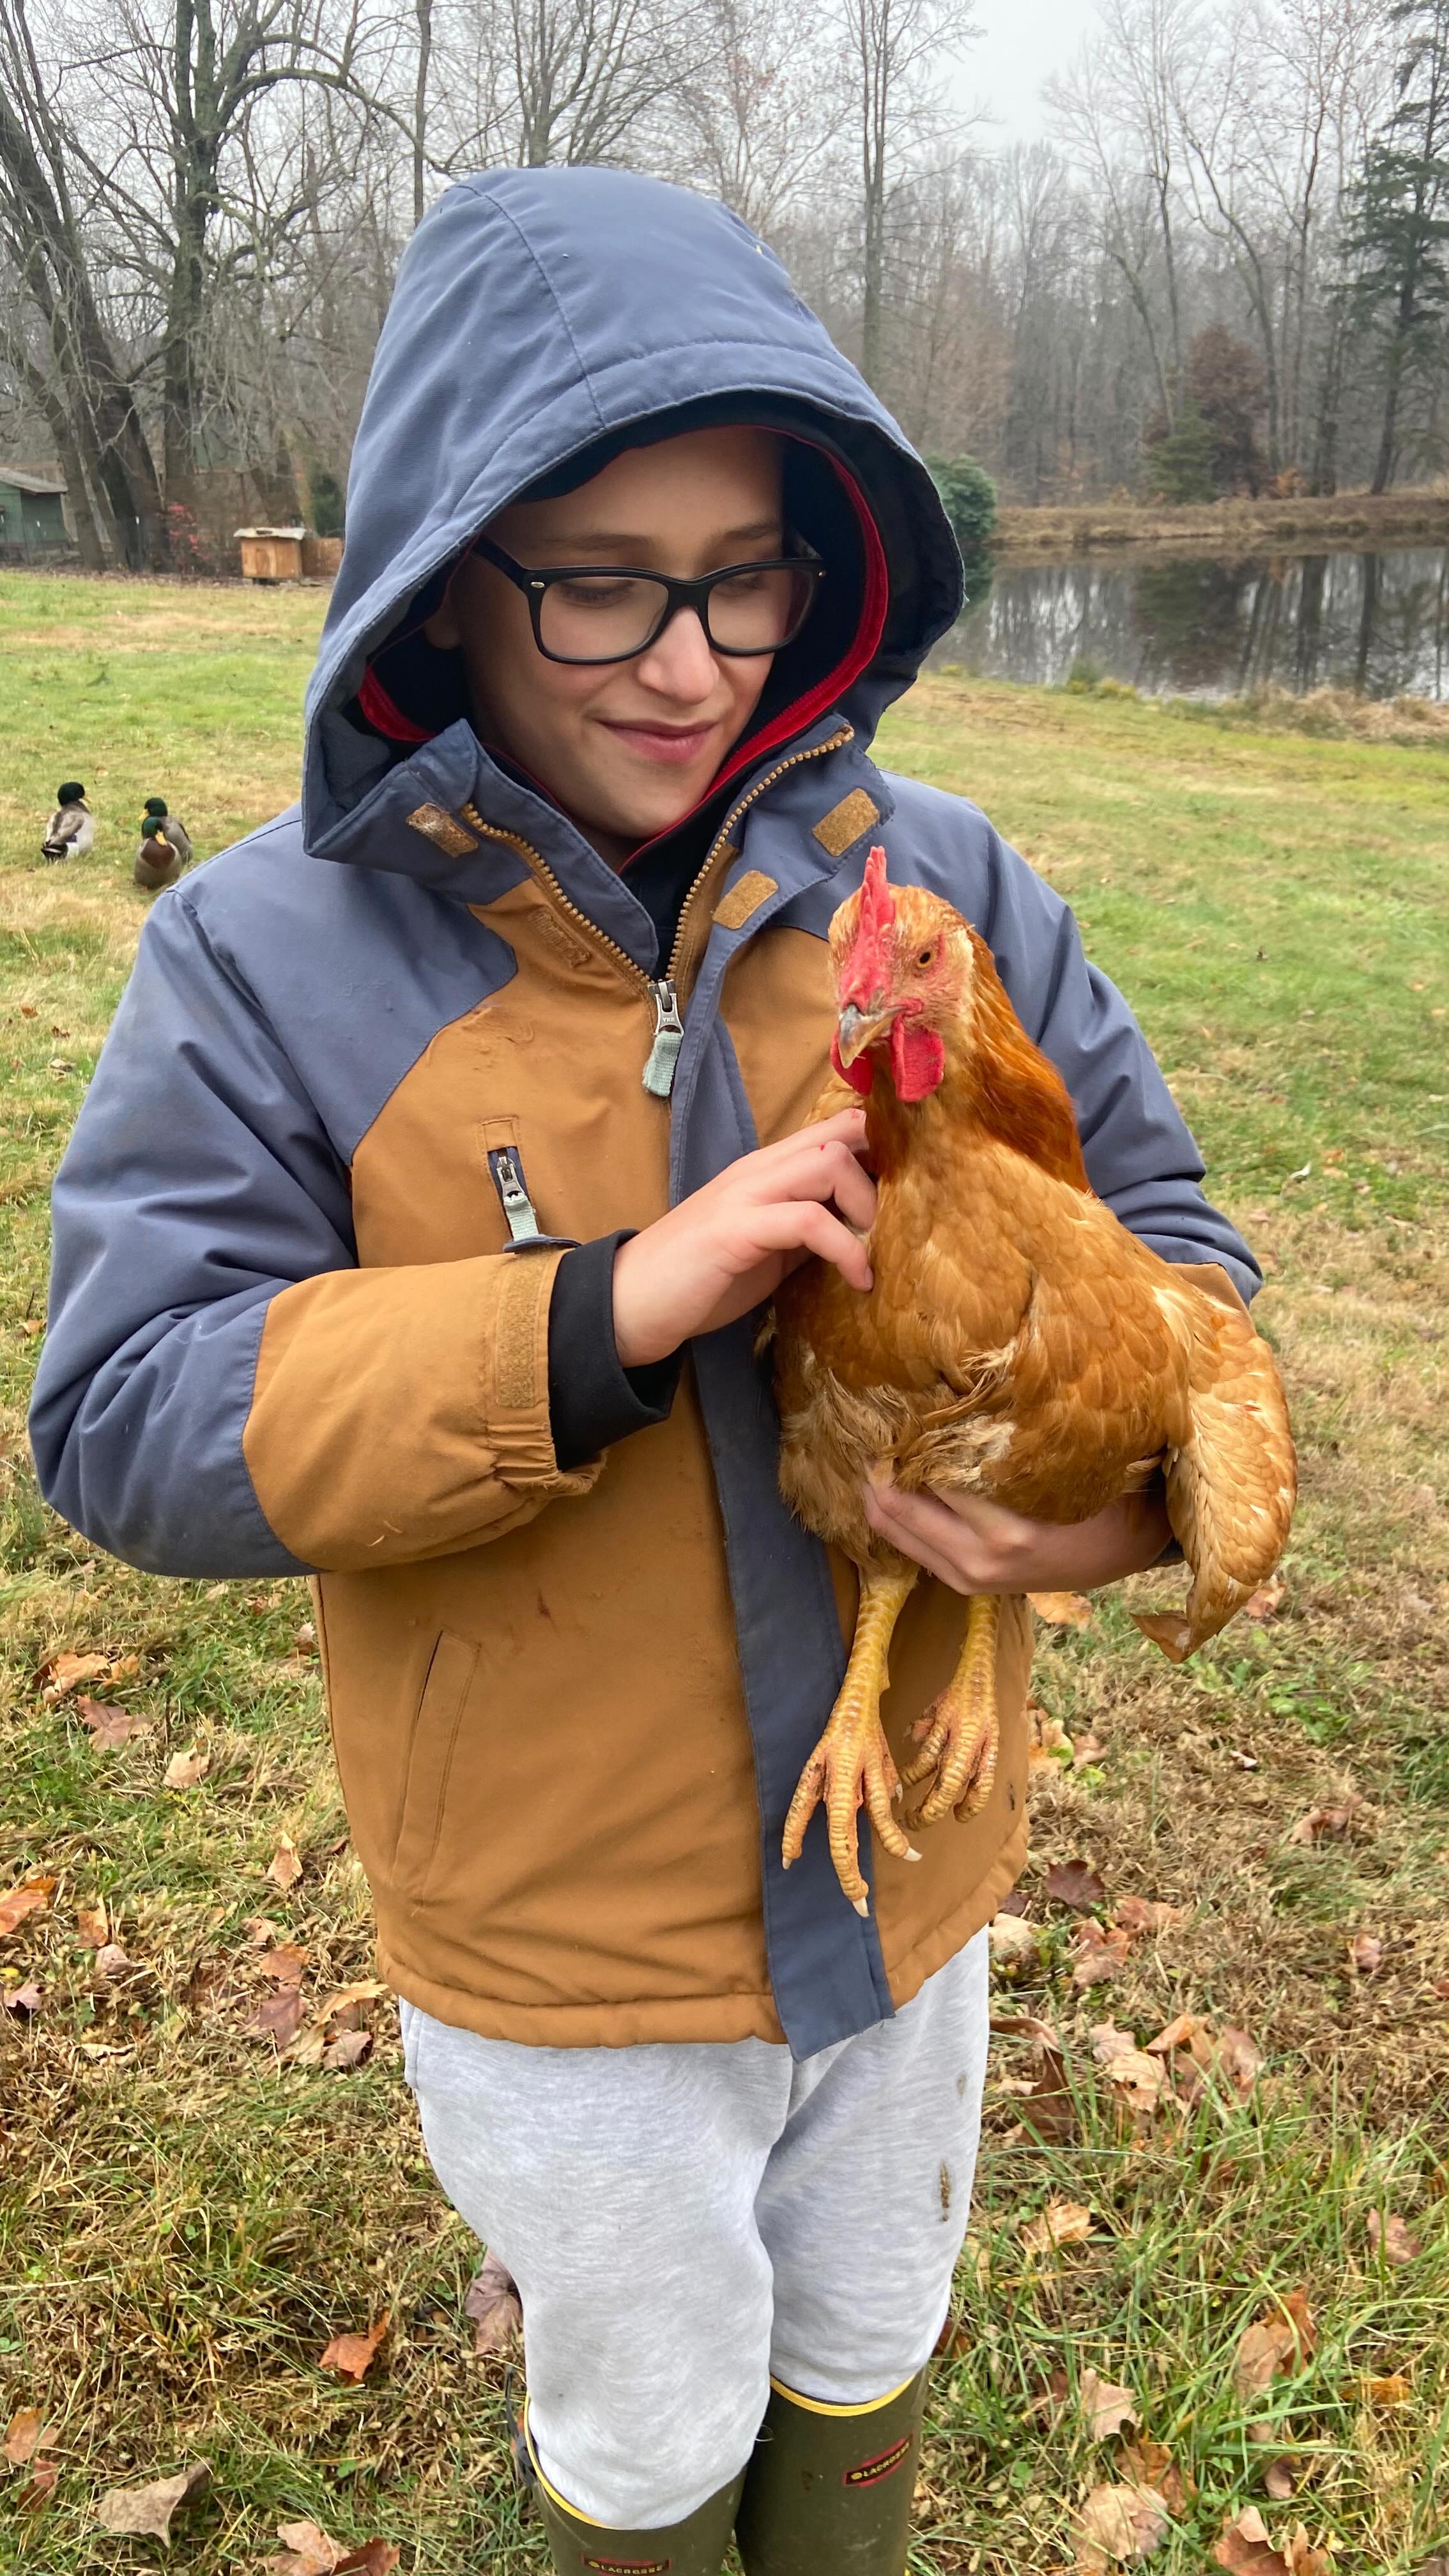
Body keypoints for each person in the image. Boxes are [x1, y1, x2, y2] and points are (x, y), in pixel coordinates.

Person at [29, 170, 1260, 2576]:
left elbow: (1178, 1252)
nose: (687, 662)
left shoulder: (938, 888)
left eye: (742, 575)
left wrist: (1098, 1520)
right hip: (560, 1928)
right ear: (447, 574)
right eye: (601, 580)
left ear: (823, 567)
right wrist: (591, 1315)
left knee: (870, 2317)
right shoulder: (269, 959)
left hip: (903, 1877)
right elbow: (124, 1412)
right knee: (647, 2400)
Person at [134, 797, 193, 891]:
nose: (145, 813)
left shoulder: (172, 828)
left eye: (148, 810)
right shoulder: (151, 825)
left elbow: (187, 842)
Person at [42, 781, 93, 862]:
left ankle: (52, 849)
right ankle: (59, 850)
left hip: (50, 847)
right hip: (69, 848)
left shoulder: (55, 816)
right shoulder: (82, 816)